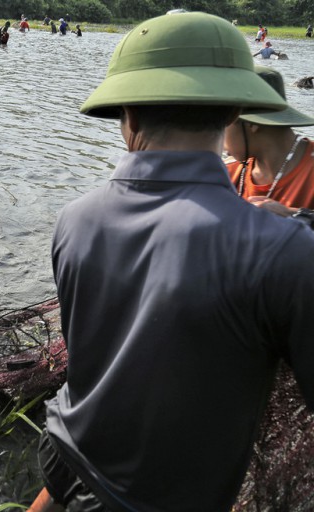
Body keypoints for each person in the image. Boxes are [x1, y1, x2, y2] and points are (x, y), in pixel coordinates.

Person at [27, 12, 313, 512]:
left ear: (128, 119)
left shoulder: (74, 220)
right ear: (233, 113)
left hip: (64, 459)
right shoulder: (281, 249)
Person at [224, 66, 314, 220]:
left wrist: (292, 215)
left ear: (252, 123)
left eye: (222, 122)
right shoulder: (227, 173)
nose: (218, 134)